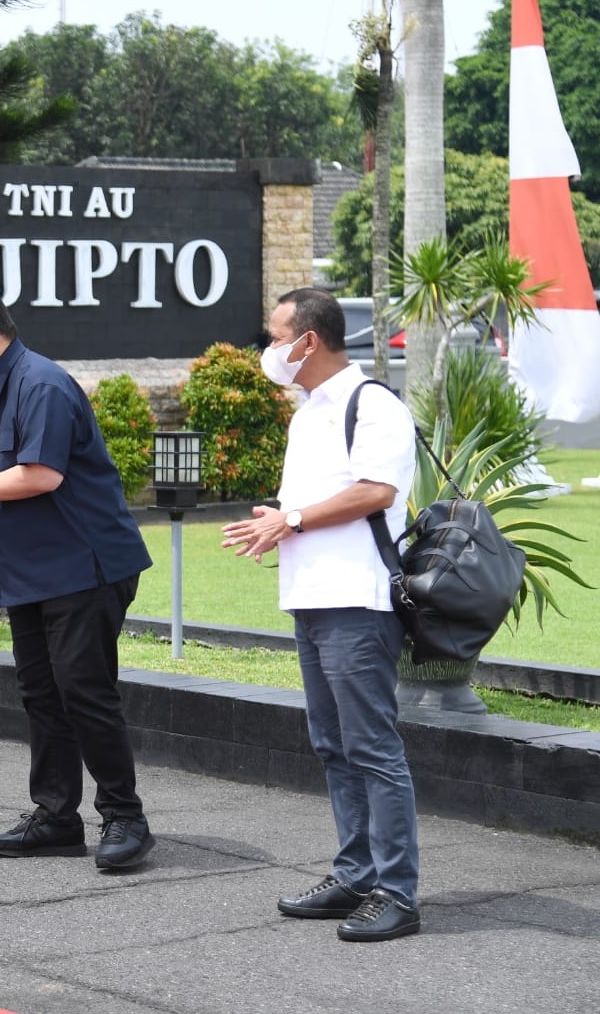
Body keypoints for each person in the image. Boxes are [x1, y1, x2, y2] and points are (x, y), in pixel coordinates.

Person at [0, 280, 156, 869]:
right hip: (29, 568)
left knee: (83, 690)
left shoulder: (41, 384)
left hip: (83, 565)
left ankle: (125, 816)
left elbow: (41, 475)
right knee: (41, 693)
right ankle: (56, 817)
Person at [221, 287, 420, 943]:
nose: (268, 349)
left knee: (371, 748)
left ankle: (396, 892)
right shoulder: (308, 412)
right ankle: (356, 876)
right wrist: (278, 527)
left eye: (276, 335)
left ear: (308, 341)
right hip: (311, 600)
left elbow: (376, 491)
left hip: (357, 602)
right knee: (334, 747)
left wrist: (293, 518)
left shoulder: (374, 405)